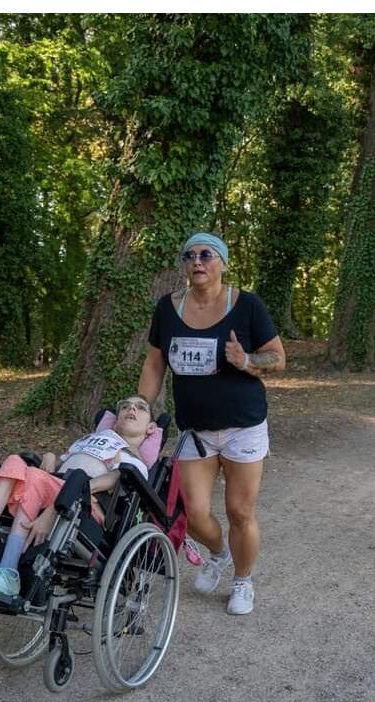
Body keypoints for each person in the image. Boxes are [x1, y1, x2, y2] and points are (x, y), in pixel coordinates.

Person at [138, 232, 286, 615]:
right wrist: (141, 408)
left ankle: (243, 581)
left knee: (240, 512)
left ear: (222, 261)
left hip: (243, 425)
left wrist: (246, 362)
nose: (197, 261)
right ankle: (218, 554)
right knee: (192, 512)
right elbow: (155, 363)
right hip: (196, 430)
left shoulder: (247, 305)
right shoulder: (167, 308)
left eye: (206, 254)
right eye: (189, 255)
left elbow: (277, 358)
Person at [0, 396, 157, 596]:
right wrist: (50, 456)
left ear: (150, 428)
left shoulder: (135, 460)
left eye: (140, 408)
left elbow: (111, 480)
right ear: (116, 417)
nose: (131, 409)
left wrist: (72, 494)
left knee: (35, 478)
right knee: (14, 461)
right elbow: (62, 461)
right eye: (125, 406)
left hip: (82, 502)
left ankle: (8, 572)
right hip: (52, 483)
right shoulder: (89, 440)